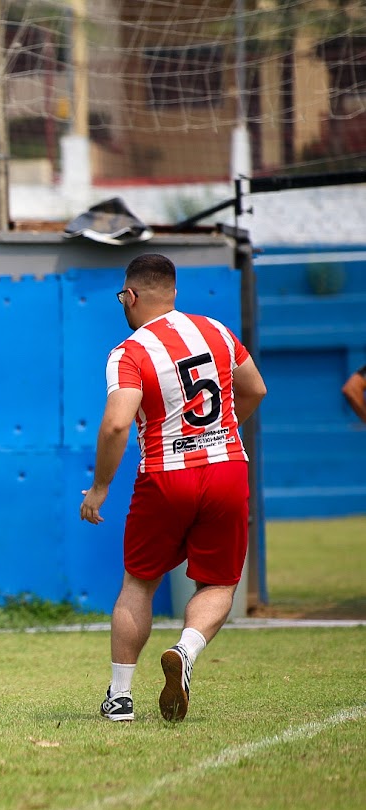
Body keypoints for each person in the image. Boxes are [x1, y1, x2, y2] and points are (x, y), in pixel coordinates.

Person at [80, 253, 267, 723]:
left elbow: (117, 424)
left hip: (166, 474)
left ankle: (120, 698)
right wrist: (220, 433)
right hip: (226, 468)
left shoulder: (130, 352)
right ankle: (185, 650)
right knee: (220, 582)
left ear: (132, 296)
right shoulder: (218, 332)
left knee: (139, 583)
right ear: (175, 293)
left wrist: (99, 487)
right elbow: (256, 389)